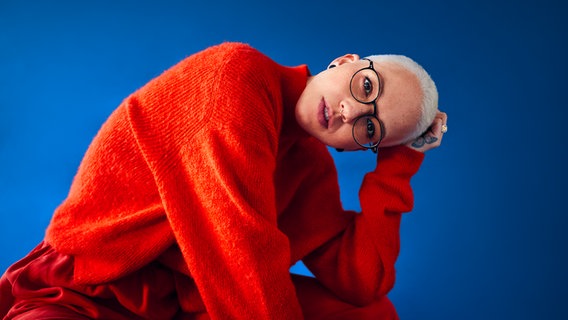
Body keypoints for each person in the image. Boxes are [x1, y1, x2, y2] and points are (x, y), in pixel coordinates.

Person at [0, 42, 447, 319]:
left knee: (368, 314)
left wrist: (398, 160)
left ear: (354, 148)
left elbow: (360, 282)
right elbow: (242, 253)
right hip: (90, 290)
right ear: (345, 61)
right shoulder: (236, 78)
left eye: (370, 129)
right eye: (366, 89)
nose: (351, 112)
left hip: (185, 302)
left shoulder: (309, 163)